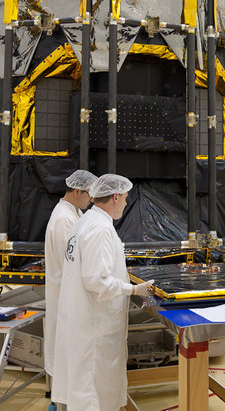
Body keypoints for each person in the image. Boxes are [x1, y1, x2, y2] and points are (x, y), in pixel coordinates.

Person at [51, 174, 154, 411]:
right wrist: (134, 289)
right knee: (93, 393)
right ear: (116, 197)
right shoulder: (99, 228)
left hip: (84, 321)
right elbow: (97, 280)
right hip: (95, 325)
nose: (126, 204)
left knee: (87, 389)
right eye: (126, 199)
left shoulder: (84, 222)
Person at [44, 170, 98, 387]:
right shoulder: (63, 219)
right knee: (64, 354)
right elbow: (70, 262)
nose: (92, 200)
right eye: (89, 194)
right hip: (64, 297)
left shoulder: (75, 213)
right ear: (77, 191)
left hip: (71, 296)